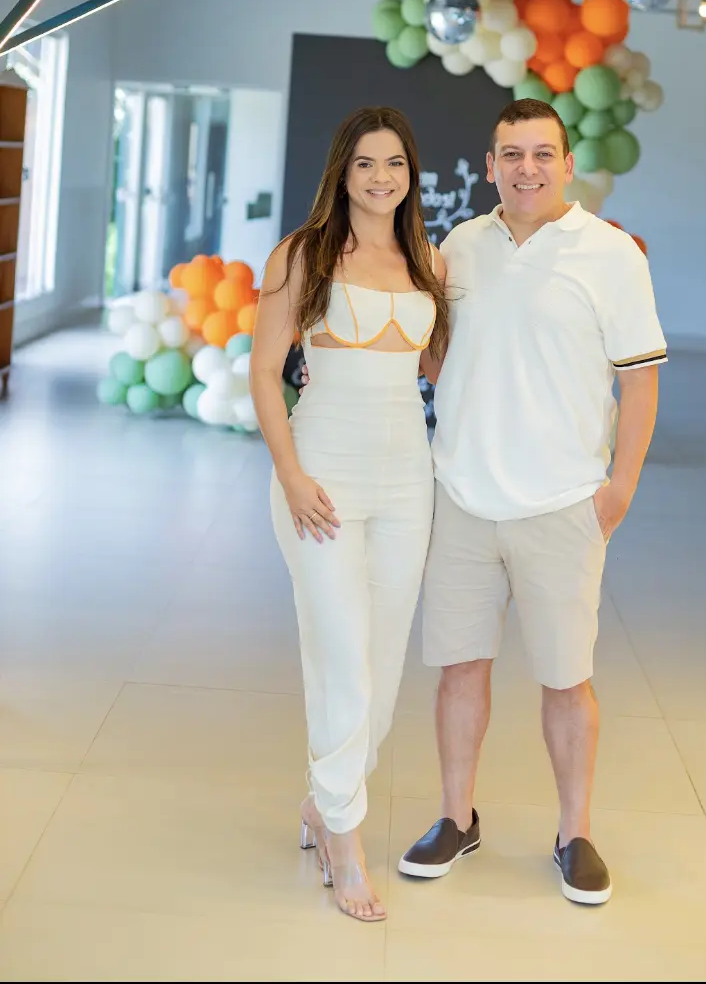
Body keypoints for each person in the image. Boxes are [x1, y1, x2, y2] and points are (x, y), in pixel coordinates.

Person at [398, 97, 666, 905]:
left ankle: (574, 833)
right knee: (459, 668)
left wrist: (618, 489)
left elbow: (640, 379)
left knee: (566, 678)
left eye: (543, 153)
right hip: (463, 497)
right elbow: (437, 353)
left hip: (563, 504)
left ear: (567, 164)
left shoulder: (612, 254)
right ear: (490, 166)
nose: (527, 168)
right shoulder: (460, 246)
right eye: (511, 154)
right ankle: (456, 817)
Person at [250, 106, 448, 923]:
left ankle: (325, 798)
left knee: (385, 666)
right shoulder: (302, 253)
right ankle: (345, 837)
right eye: (365, 162)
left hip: (407, 481)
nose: (380, 177)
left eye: (394, 163)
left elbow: (441, 366)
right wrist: (291, 474)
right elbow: (264, 372)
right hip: (323, 477)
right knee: (341, 656)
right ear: (343, 170)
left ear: (410, 174)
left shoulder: (428, 258)